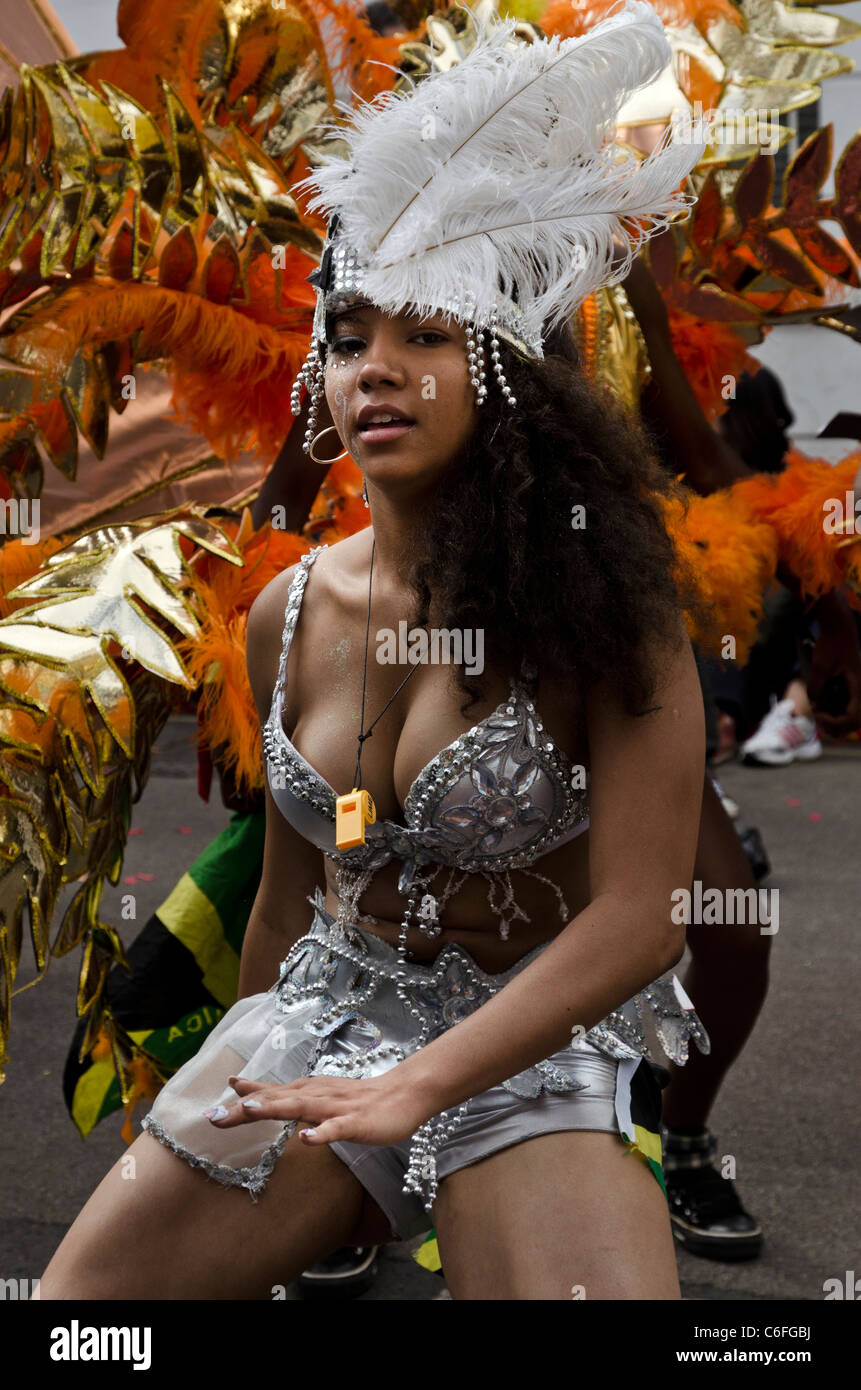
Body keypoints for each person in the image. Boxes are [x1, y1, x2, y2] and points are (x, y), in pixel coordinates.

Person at [37, 3, 709, 1300]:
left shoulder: (599, 597)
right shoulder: (288, 613)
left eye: (425, 333)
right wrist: (253, 1073)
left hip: (532, 1039)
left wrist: (419, 1086)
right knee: (75, 1328)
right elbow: (290, 902)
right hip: (332, 1021)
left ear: (502, 365)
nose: (377, 369)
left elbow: (638, 912)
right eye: (351, 336)